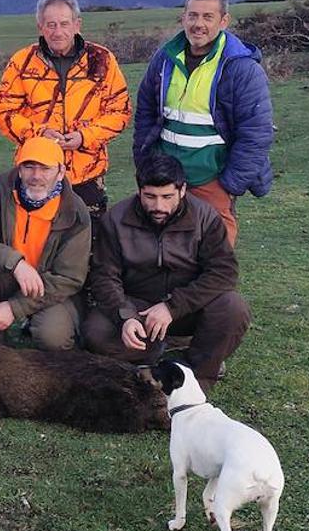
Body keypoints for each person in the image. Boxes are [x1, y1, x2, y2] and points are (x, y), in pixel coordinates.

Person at [83, 154, 247, 389]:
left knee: (233, 307)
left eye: (167, 197)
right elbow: (104, 276)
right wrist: (126, 317)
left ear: (182, 190)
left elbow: (223, 272)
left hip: (187, 307)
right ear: (139, 190)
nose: (159, 206)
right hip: (138, 306)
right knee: (95, 331)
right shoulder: (116, 219)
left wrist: (172, 307)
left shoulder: (206, 217)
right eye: (150, 196)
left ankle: (199, 376)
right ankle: (152, 356)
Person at [133, 0, 274, 247]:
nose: (199, 24)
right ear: (183, 17)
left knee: (213, 257)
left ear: (224, 21)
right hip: (164, 180)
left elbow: (256, 134)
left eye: (208, 17)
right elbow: (146, 113)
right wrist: (145, 165)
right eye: (193, 15)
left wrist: (229, 184)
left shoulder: (241, 69)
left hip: (213, 180)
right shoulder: (164, 59)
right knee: (158, 252)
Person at [0, 0, 131, 219]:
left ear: (77, 25)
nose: (58, 32)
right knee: (35, 242)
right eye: (51, 25)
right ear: (40, 27)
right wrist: (39, 135)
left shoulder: (101, 60)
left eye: (64, 24)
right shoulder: (22, 62)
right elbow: (4, 112)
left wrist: (84, 137)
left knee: (89, 244)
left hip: (88, 173)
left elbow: (120, 111)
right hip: (36, 172)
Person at [0, 136, 91, 351]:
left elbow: (69, 278)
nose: (36, 176)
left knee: (54, 337)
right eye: (29, 167)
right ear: (19, 169)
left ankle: (41, 347)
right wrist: (14, 262)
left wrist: (15, 308)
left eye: (45, 169)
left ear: (61, 172)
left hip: (49, 287)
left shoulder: (76, 212)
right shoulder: (1, 189)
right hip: (8, 274)